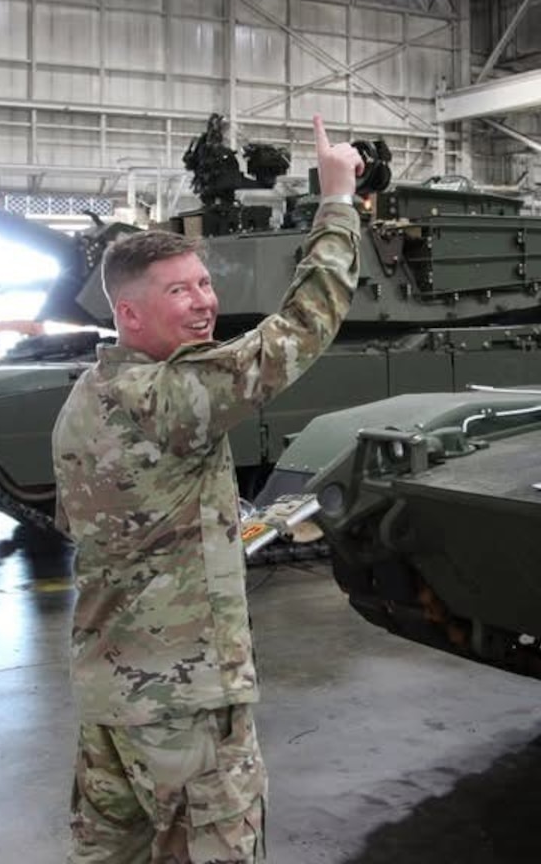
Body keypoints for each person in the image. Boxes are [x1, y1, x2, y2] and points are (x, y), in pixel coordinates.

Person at [52, 114, 364, 863]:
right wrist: (339, 199)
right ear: (128, 313)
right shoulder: (169, 394)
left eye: (203, 284)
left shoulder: (88, 395)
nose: (203, 302)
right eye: (177, 292)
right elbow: (302, 327)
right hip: (184, 702)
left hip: (113, 693)